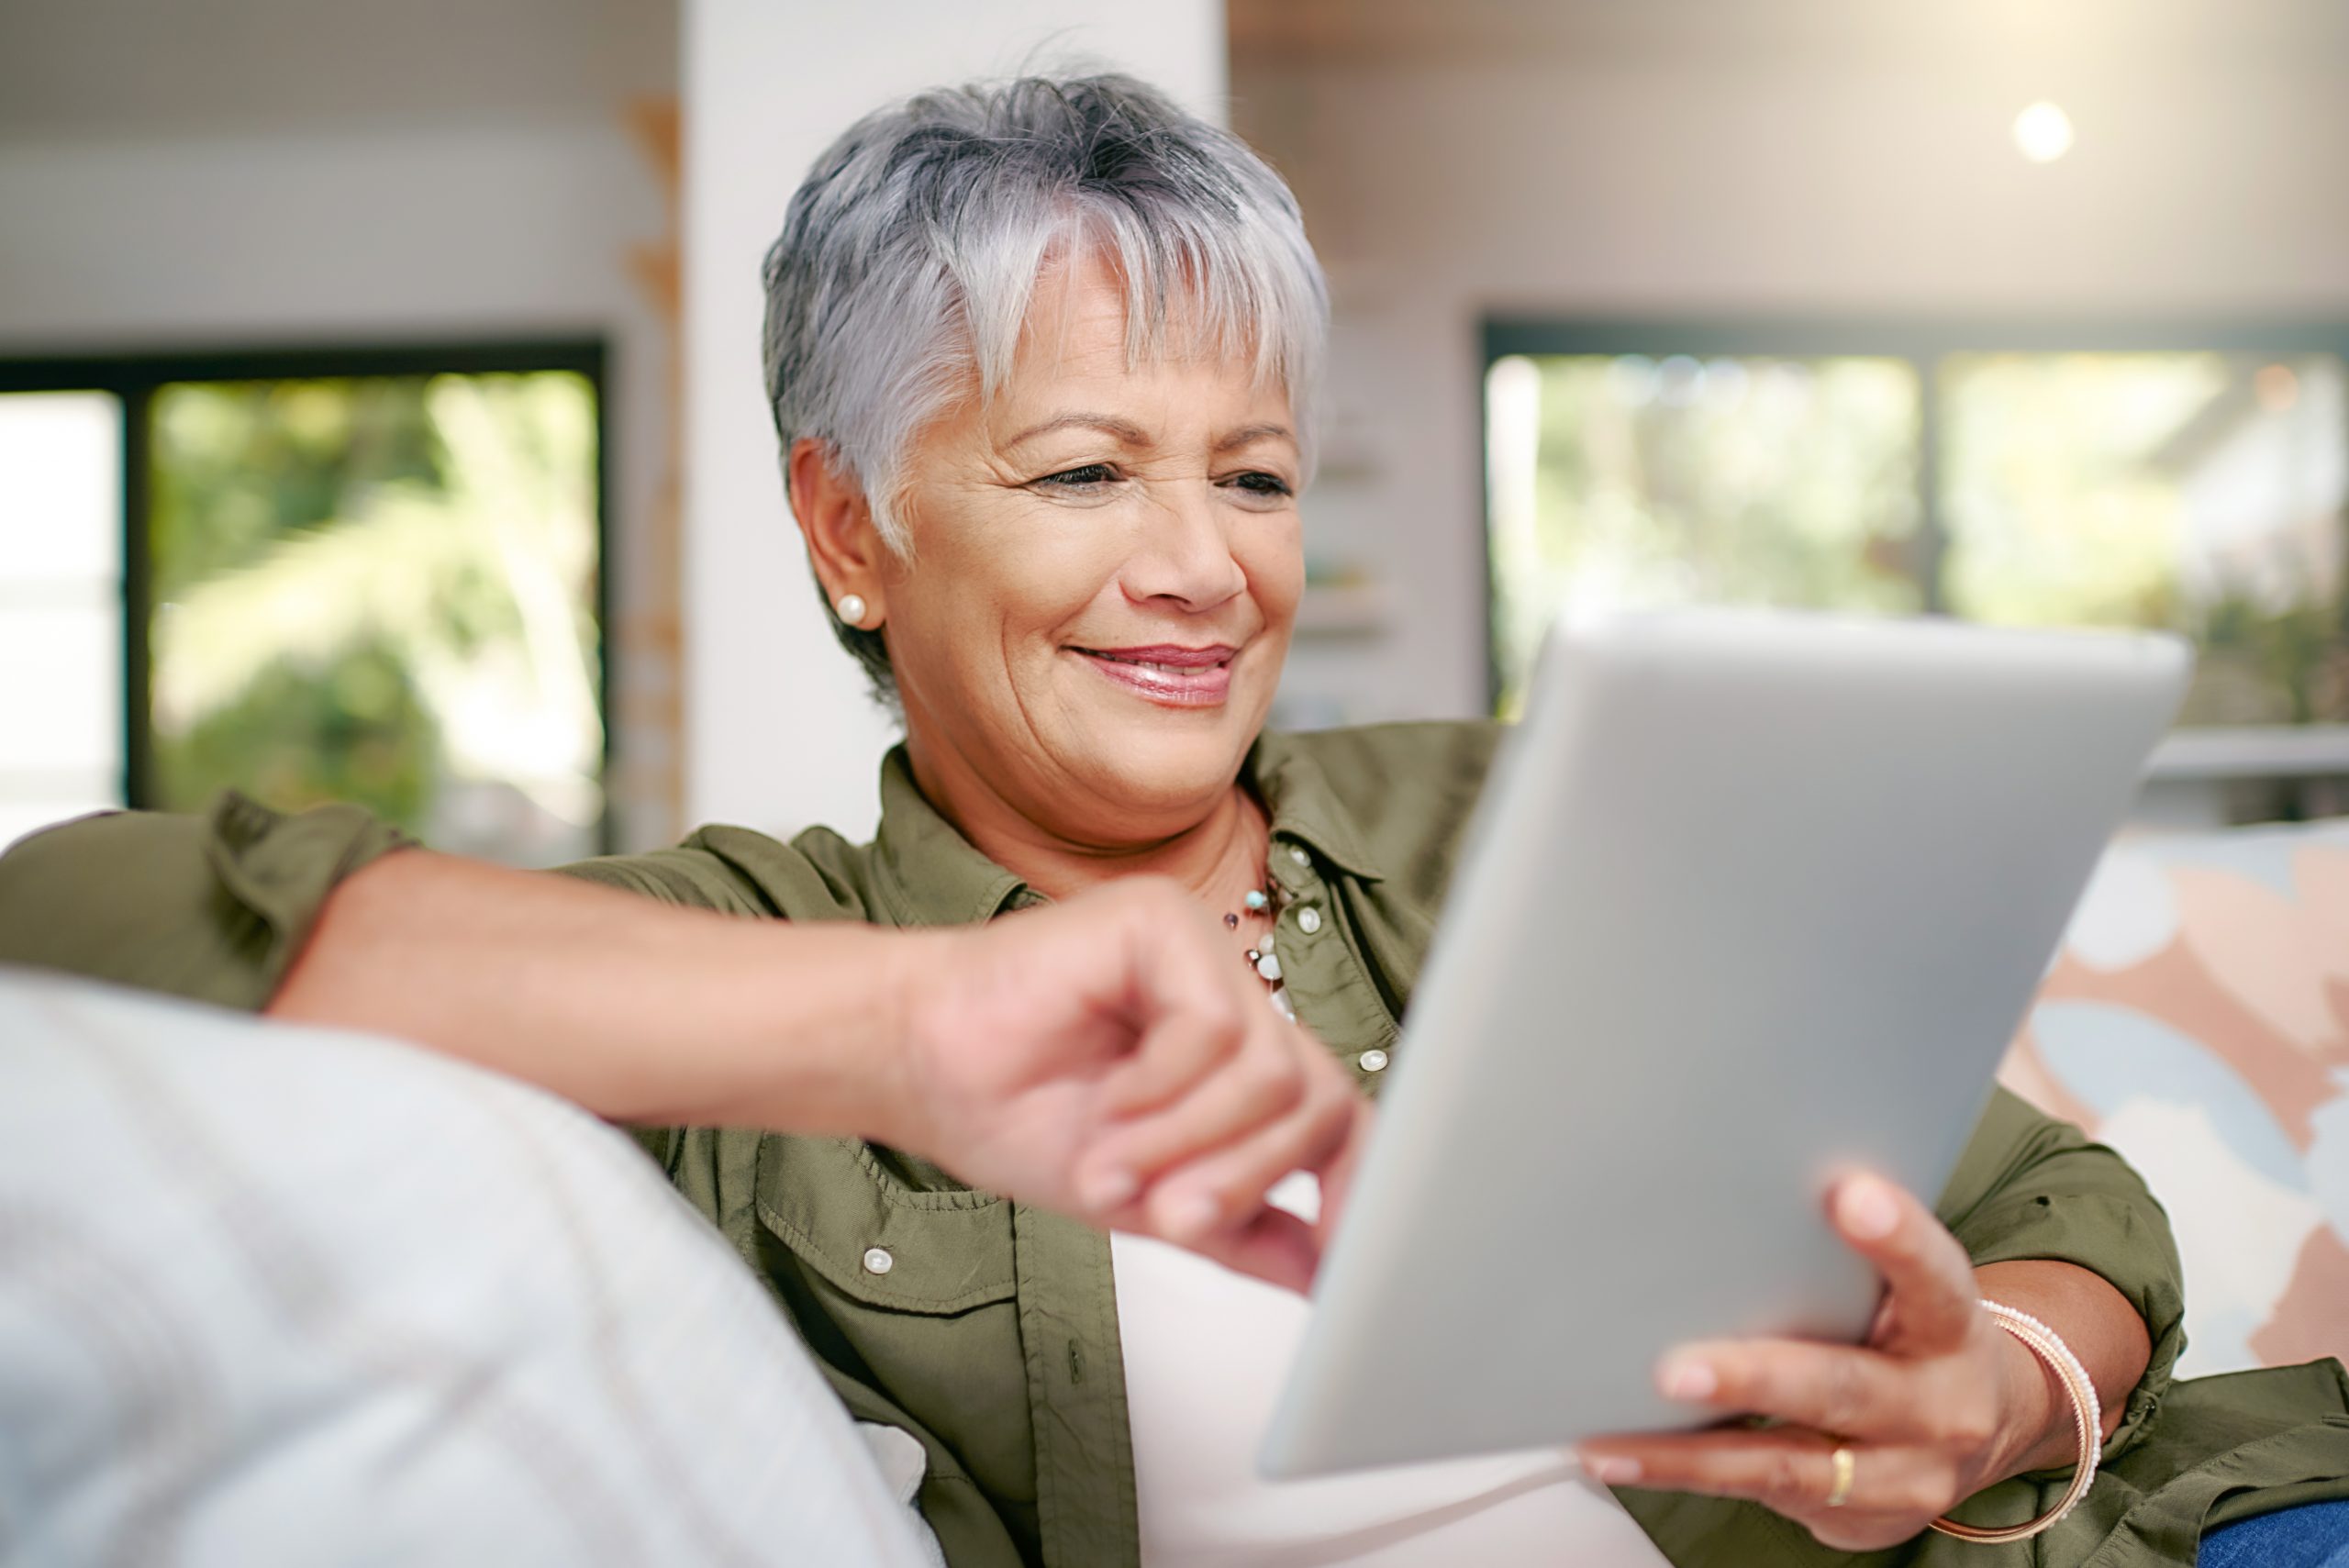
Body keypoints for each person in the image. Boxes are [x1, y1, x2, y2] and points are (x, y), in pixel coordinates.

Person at [4, 73, 2344, 1568]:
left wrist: (1994, 1386)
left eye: (1248, 475)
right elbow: (74, 933)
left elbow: (2049, 1202)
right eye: (1079, 471)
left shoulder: (1489, 818)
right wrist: (913, 1022)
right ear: (846, 530)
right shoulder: (764, 960)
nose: (1199, 568)